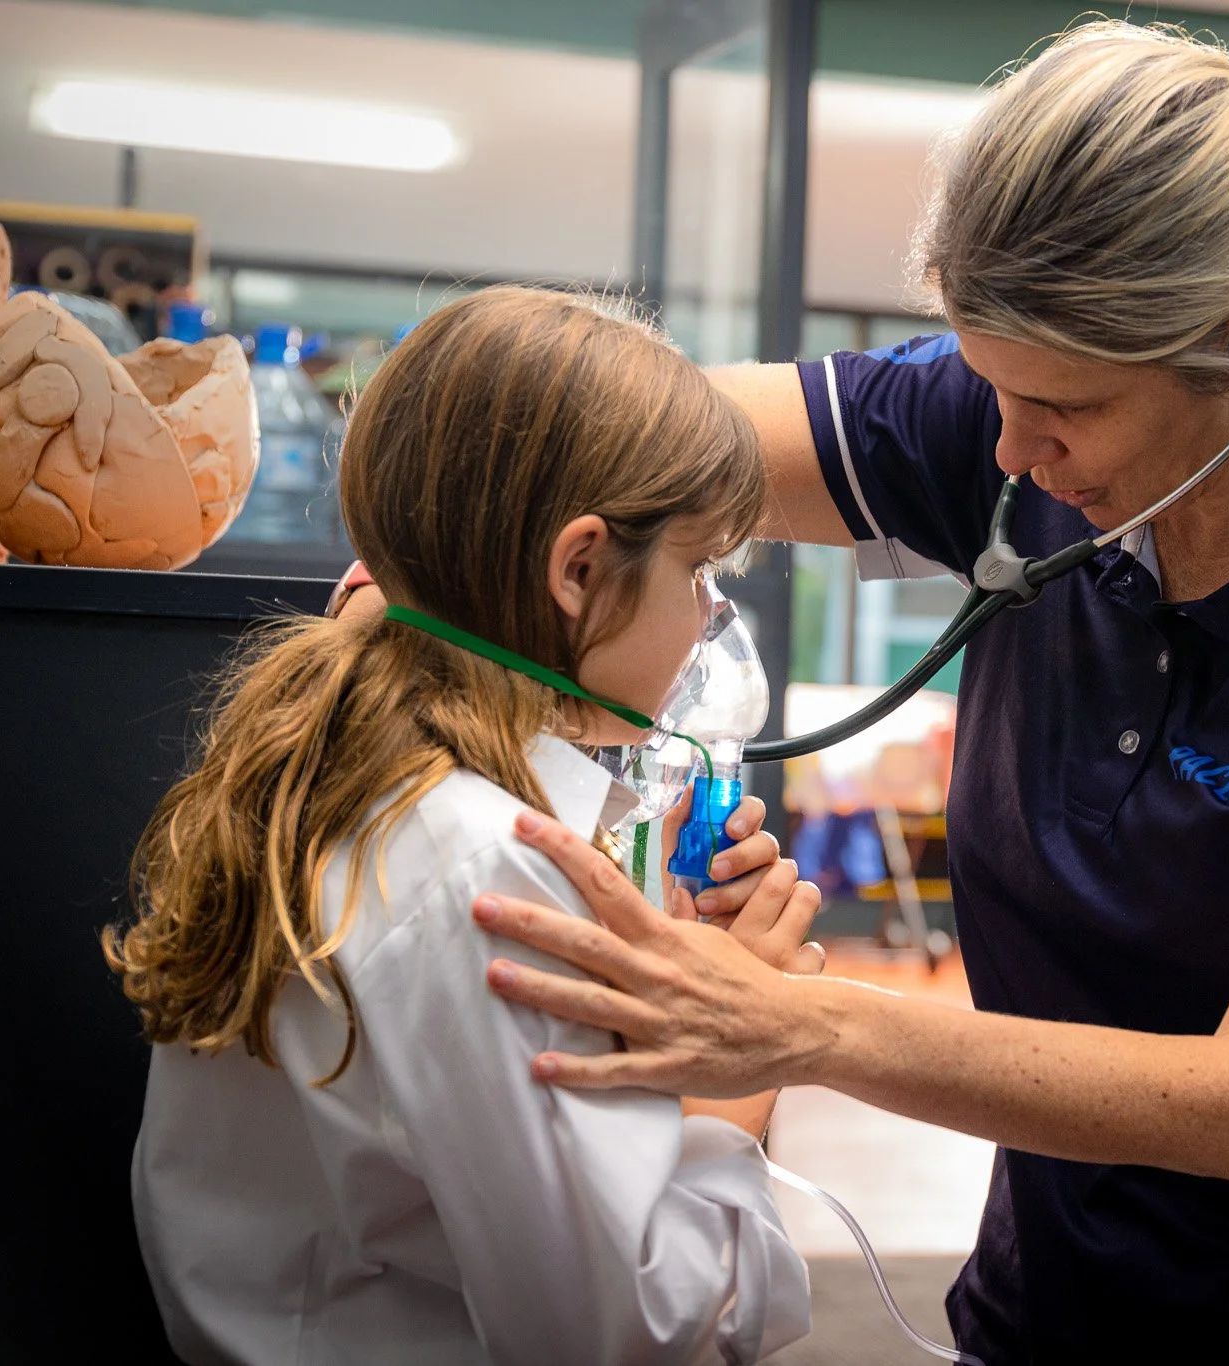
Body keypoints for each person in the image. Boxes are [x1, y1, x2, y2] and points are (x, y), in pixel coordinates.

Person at [362, 22, 1229, 1362]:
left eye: (1060, 407)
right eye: (985, 382)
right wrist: (440, 555)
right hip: (1045, 1312)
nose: (1008, 447)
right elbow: (602, 444)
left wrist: (798, 1022)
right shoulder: (1014, 429)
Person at [103, 287, 822, 1366]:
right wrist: (734, 1079)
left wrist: (633, 1012)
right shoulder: (491, 867)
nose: (708, 617)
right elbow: (625, 1329)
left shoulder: (339, 777)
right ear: (578, 570)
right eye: (698, 569)